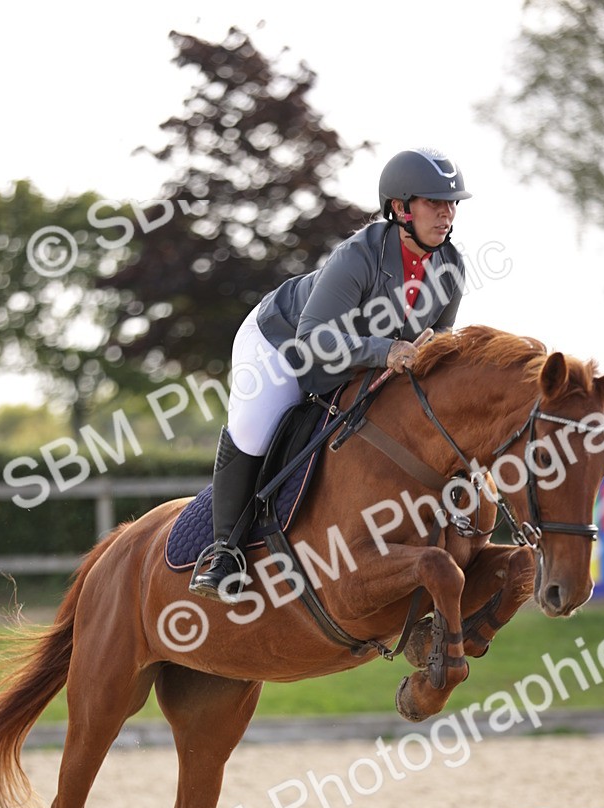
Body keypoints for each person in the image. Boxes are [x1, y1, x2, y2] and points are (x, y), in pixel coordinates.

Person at [190, 147, 472, 602]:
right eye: (434, 203)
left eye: (452, 203)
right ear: (400, 208)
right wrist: (386, 350)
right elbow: (311, 340)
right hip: (281, 345)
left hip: (359, 357)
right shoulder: (358, 256)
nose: (447, 214)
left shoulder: (452, 266)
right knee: (254, 431)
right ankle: (225, 553)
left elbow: (438, 338)